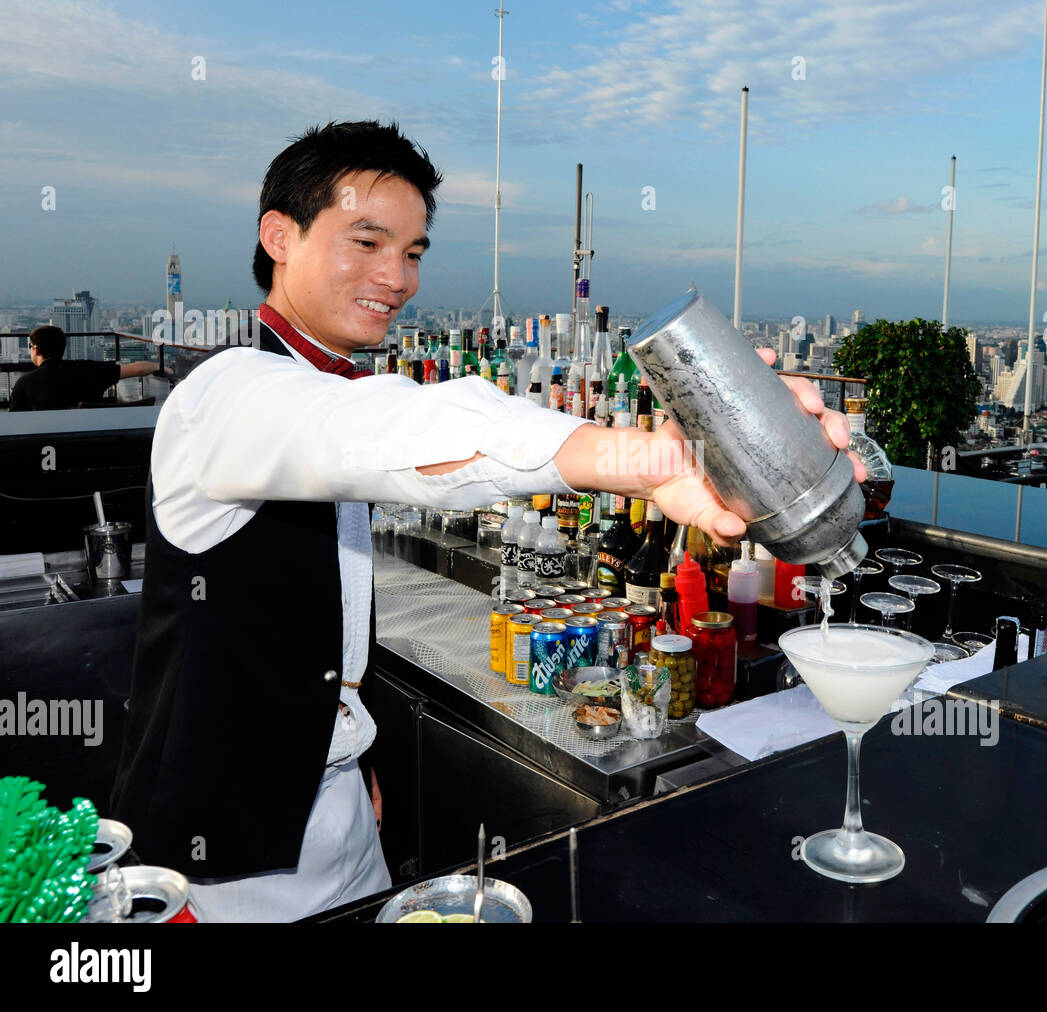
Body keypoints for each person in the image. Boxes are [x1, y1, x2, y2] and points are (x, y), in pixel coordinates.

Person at [109, 120, 863, 922]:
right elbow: (397, 429)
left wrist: (348, 752)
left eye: (413, 252)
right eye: (366, 242)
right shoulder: (222, 394)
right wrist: (632, 459)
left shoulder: (327, 387)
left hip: (343, 829)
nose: (396, 277)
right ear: (279, 236)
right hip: (226, 875)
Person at [8, 325, 167, 411]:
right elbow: (138, 370)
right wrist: (161, 367)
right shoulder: (89, 369)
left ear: (35, 349)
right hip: (96, 443)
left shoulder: (24, 384)